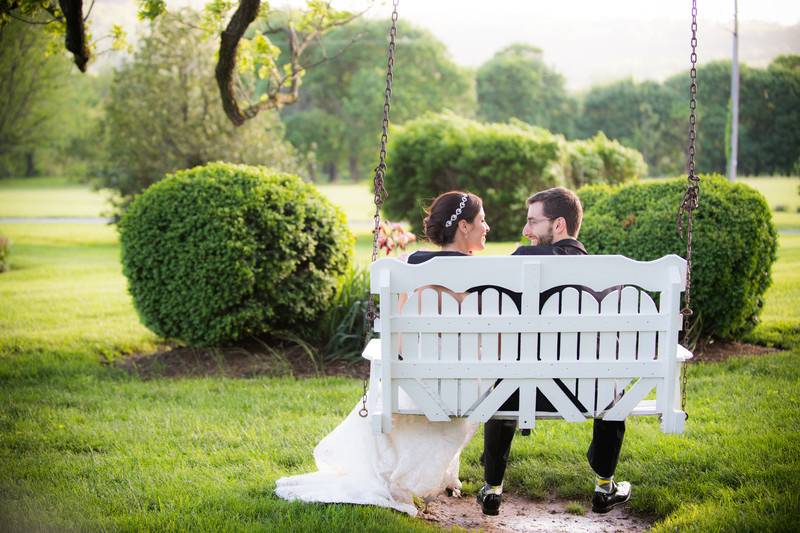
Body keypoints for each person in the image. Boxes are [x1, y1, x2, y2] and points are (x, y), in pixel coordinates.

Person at [275, 191, 490, 516]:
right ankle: (433, 475)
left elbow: (398, 342)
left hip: (415, 387)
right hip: (470, 390)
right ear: (463, 226)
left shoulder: (409, 266)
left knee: (389, 380)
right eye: (482, 220)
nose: (487, 227)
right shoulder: (487, 273)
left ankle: (402, 471)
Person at [476, 187, 632, 516]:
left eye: (533, 222)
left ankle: (492, 487)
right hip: (587, 394)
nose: (525, 231)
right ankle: (605, 485)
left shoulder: (524, 261)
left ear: (558, 225)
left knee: (505, 377)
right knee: (610, 383)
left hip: (517, 394)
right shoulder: (606, 275)